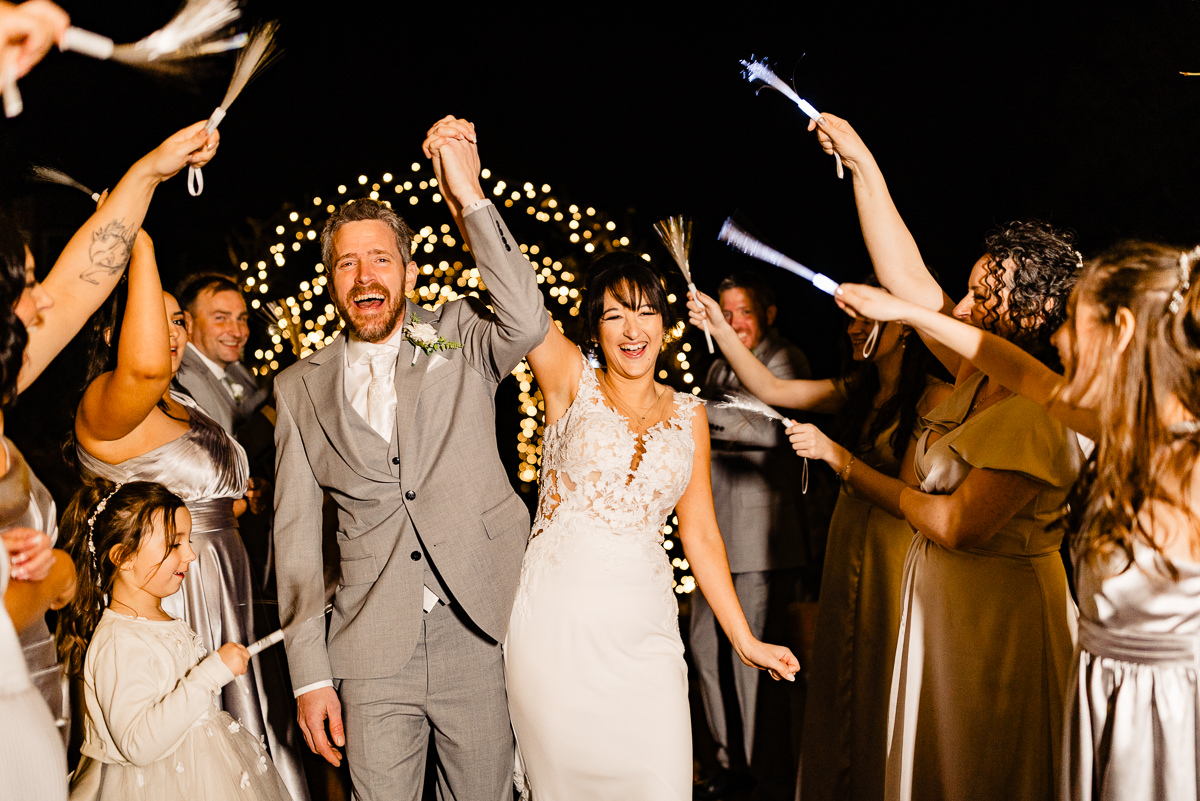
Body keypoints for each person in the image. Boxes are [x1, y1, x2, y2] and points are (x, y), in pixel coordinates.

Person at [834, 241, 1200, 801]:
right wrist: (906, 312)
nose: (1056, 341)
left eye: (1072, 325)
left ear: (1122, 329)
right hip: (1099, 695)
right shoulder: (1121, 432)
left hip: (1169, 713)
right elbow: (1009, 364)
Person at [804, 112, 1083, 801]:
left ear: (1023, 317)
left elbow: (960, 525)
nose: (958, 306)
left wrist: (847, 470)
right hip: (940, 614)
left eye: (978, 297)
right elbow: (907, 276)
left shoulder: (1041, 409)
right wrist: (864, 163)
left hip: (1000, 624)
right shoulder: (977, 371)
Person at [272, 116, 548, 801]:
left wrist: (469, 194)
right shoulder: (297, 387)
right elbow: (297, 542)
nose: (365, 277)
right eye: (347, 262)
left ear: (410, 270)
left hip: (481, 629)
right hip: (369, 648)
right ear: (332, 279)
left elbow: (528, 320)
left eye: (381, 259)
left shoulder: (455, 333)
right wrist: (309, 676)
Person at [504, 250, 799, 801]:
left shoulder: (690, 414)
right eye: (614, 315)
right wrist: (469, 197)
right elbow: (518, 297)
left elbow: (703, 536)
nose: (632, 329)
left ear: (665, 323)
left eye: (645, 312)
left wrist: (745, 639)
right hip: (555, 634)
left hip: (647, 638)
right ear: (594, 327)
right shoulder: (570, 379)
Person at [0, 121, 218, 801]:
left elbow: (82, 279)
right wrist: (58, 577)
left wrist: (150, 170)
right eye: (23, 288)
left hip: (36, 697)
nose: (41, 303)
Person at [689, 276, 951, 801]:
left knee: (882, 675)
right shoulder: (857, 390)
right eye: (851, 320)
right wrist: (718, 324)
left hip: (892, 550)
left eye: (865, 320)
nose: (853, 330)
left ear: (902, 329)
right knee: (844, 678)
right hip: (848, 542)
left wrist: (836, 456)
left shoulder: (928, 397)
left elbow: (906, 492)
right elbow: (772, 391)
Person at [72, 227, 309, 800]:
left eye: (178, 320)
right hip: (174, 583)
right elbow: (146, 368)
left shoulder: (185, 399)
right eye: (157, 315)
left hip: (225, 572)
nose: (170, 331)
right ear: (112, 331)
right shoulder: (108, 401)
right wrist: (144, 247)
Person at [56, 479, 291, 801]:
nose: (191, 554)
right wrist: (212, 673)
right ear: (124, 556)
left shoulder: (159, 622)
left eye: (189, 541)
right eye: (174, 544)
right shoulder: (119, 640)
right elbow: (139, 744)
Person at [688, 271, 810, 800]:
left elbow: (765, 427)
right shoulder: (718, 366)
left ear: (769, 315)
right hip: (712, 542)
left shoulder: (785, 361)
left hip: (761, 545)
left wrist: (689, 412)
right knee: (703, 649)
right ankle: (726, 761)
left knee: (754, 668)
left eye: (745, 313)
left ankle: (764, 776)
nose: (736, 324)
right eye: (728, 313)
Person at [174, 273, 268, 437]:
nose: (238, 332)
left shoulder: (233, 367)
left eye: (241, 319)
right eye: (221, 318)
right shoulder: (186, 378)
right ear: (188, 323)